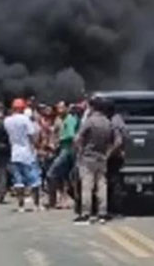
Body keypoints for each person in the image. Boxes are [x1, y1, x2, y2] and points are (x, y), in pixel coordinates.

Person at [73, 96, 117, 225]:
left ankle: (86, 214)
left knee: (87, 186)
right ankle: (102, 213)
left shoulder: (90, 121)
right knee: (101, 186)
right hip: (102, 157)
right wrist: (107, 154)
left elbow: (78, 138)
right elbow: (113, 141)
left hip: (88, 157)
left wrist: (80, 150)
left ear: (92, 107)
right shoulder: (107, 122)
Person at [4, 98, 42, 212]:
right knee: (35, 180)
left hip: (15, 152)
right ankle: (36, 204)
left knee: (18, 181)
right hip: (27, 152)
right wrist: (36, 146)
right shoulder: (26, 120)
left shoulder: (7, 121)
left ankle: (21, 206)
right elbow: (31, 135)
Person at [47, 102, 78, 209]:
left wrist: (60, 140)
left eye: (61, 108)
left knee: (52, 173)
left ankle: (54, 201)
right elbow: (54, 133)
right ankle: (60, 200)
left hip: (68, 150)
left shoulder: (70, 119)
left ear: (66, 108)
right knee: (64, 177)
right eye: (58, 108)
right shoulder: (58, 119)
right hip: (60, 149)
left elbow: (71, 135)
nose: (59, 110)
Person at [107, 100, 127, 217]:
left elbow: (118, 141)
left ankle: (114, 209)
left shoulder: (114, 121)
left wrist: (109, 153)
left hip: (114, 156)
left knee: (113, 183)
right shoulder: (119, 119)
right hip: (118, 155)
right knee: (115, 181)